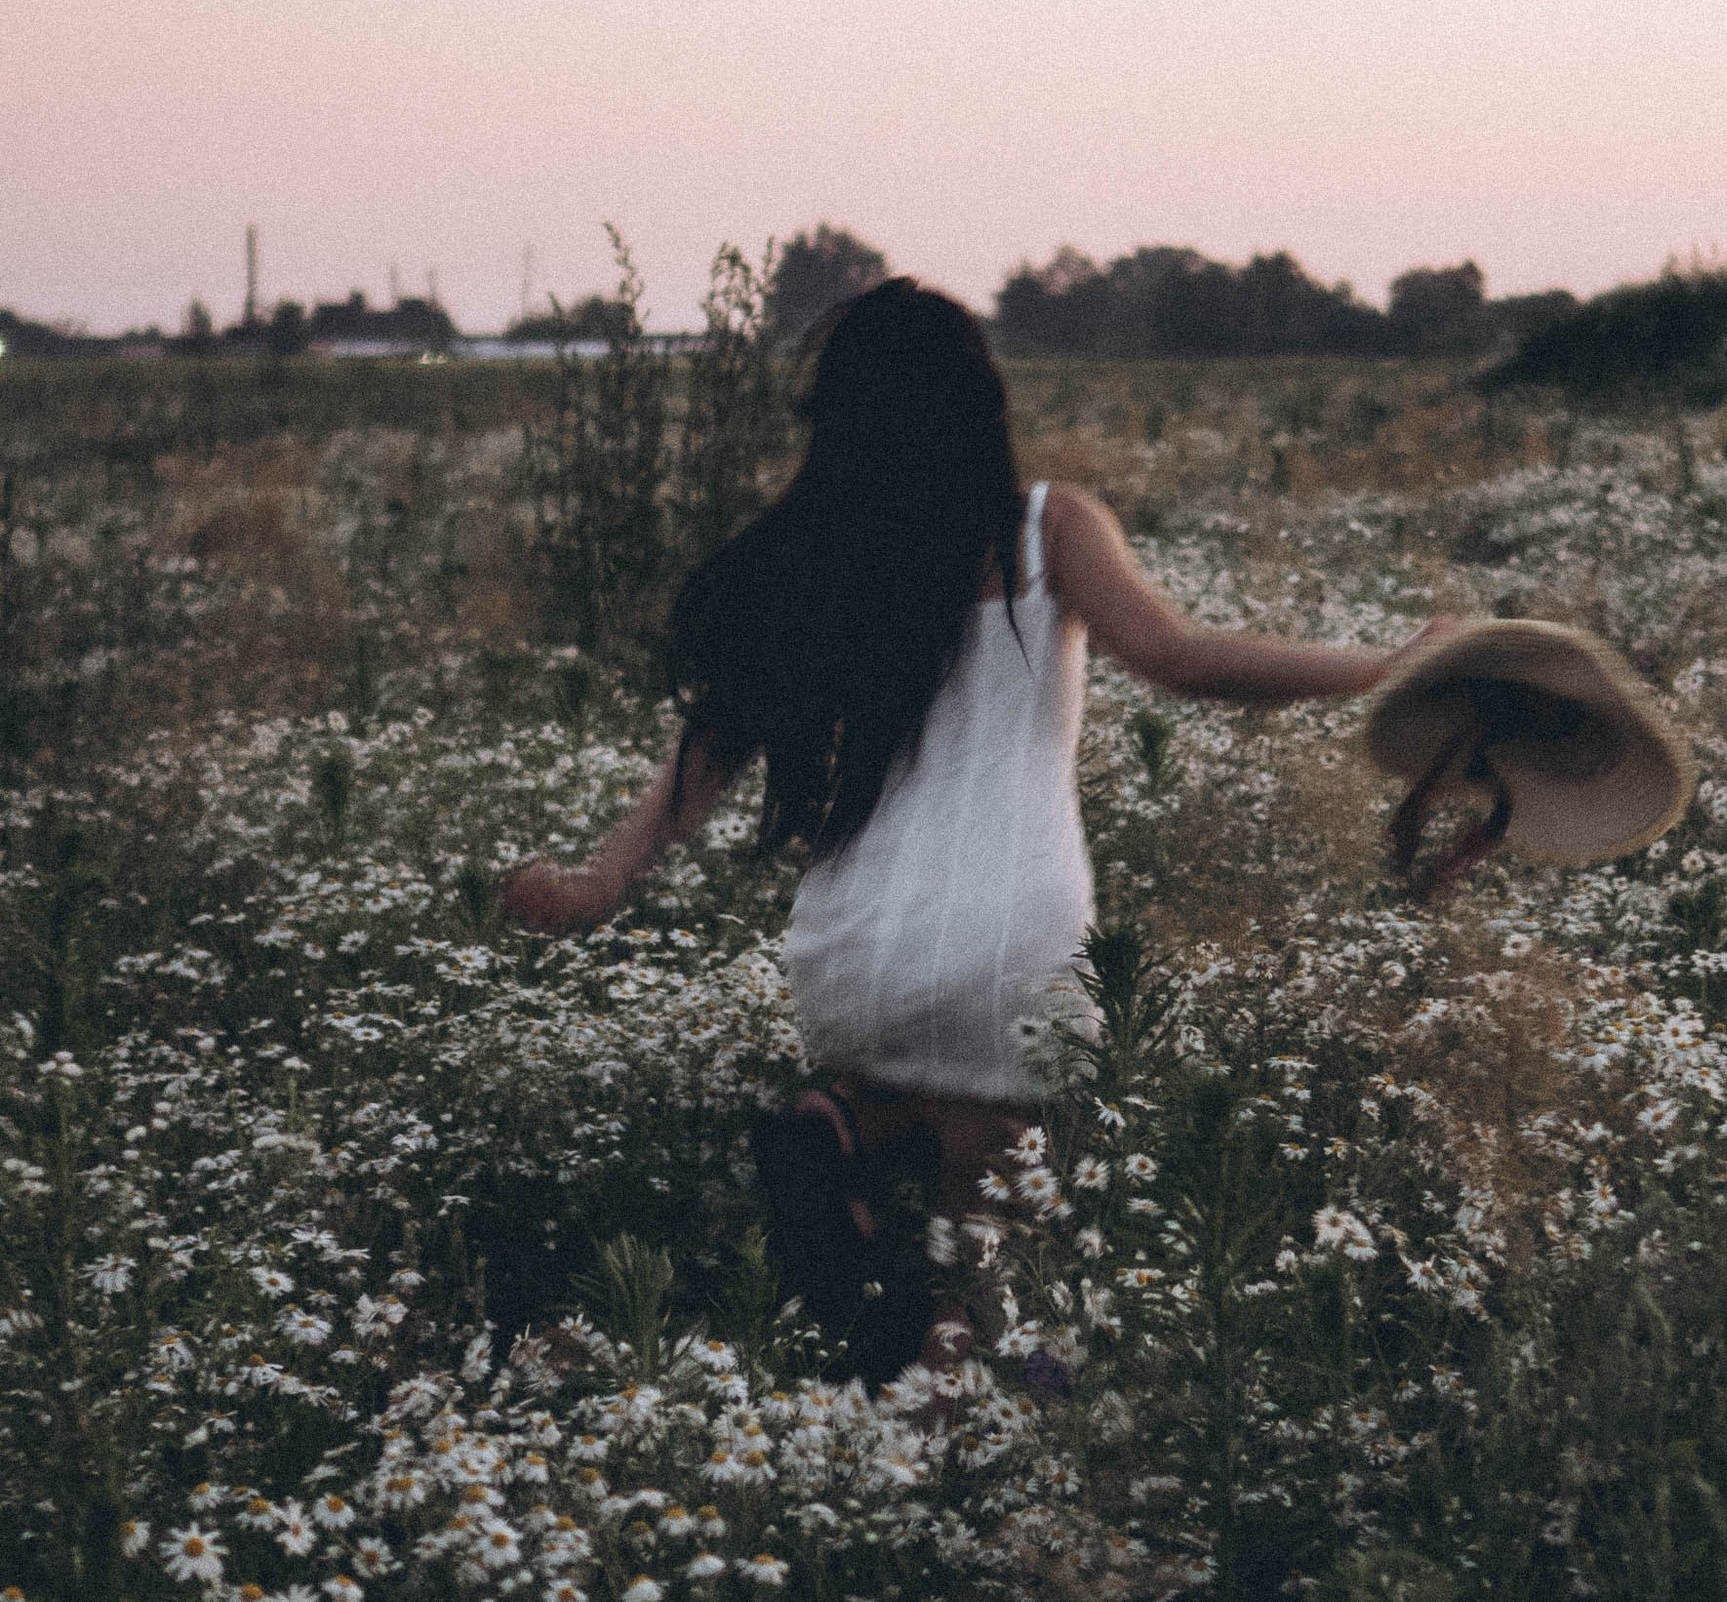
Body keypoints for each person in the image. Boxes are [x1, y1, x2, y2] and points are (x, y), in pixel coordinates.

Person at [500, 278, 1433, 1371]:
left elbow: (715, 736)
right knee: (986, 1272)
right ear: (979, 400)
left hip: (851, 943)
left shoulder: (827, 553)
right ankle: (943, 1407)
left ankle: (851, 1127)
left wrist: (600, 881)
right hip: (1012, 938)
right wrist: (1385, 665)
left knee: (918, 1104)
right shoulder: (1045, 530)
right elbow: (1184, 659)